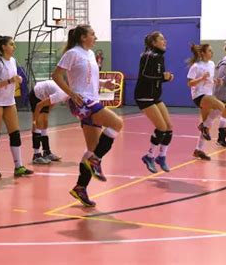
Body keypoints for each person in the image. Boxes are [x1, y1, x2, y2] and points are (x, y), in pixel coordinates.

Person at [52, 25, 123, 207]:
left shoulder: (90, 54)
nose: (95, 37)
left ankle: (80, 187)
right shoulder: (72, 53)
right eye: (92, 34)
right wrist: (71, 92)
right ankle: (95, 161)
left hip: (92, 99)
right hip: (82, 101)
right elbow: (57, 75)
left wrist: (103, 83)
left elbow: (88, 79)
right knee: (117, 123)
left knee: (92, 148)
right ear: (83, 37)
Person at [0, 36, 33, 178]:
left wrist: (17, 80)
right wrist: (9, 80)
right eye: (11, 44)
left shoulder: (12, 61)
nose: (14, 47)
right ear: (3, 47)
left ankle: (18, 166)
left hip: (9, 101)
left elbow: (12, 81)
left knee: (15, 133)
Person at [134, 31, 175, 173]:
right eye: (161, 39)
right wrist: (161, 76)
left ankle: (161, 156)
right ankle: (149, 156)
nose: (165, 41)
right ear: (153, 43)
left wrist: (166, 78)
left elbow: (157, 78)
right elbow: (144, 75)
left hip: (155, 96)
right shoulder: (147, 56)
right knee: (161, 127)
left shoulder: (160, 57)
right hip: (144, 96)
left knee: (169, 127)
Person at [187, 44, 224, 160]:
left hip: (208, 94)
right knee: (221, 106)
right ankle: (203, 126)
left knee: (208, 124)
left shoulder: (212, 64)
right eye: (209, 51)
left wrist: (216, 81)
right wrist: (201, 78)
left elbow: (209, 80)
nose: (211, 53)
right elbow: (190, 83)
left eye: (212, 51)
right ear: (202, 53)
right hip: (199, 95)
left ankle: (199, 150)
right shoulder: (196, 66)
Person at [29, 80, 69, 164]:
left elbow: (52, 103)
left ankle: (46, 152)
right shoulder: (61, 95)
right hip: (36, 95)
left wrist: (46, 113)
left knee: (45, 123)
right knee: (38, 124)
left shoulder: (64, 95)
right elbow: (38, 106)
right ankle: (36, 155)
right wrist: (34, 120)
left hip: (44, 96)